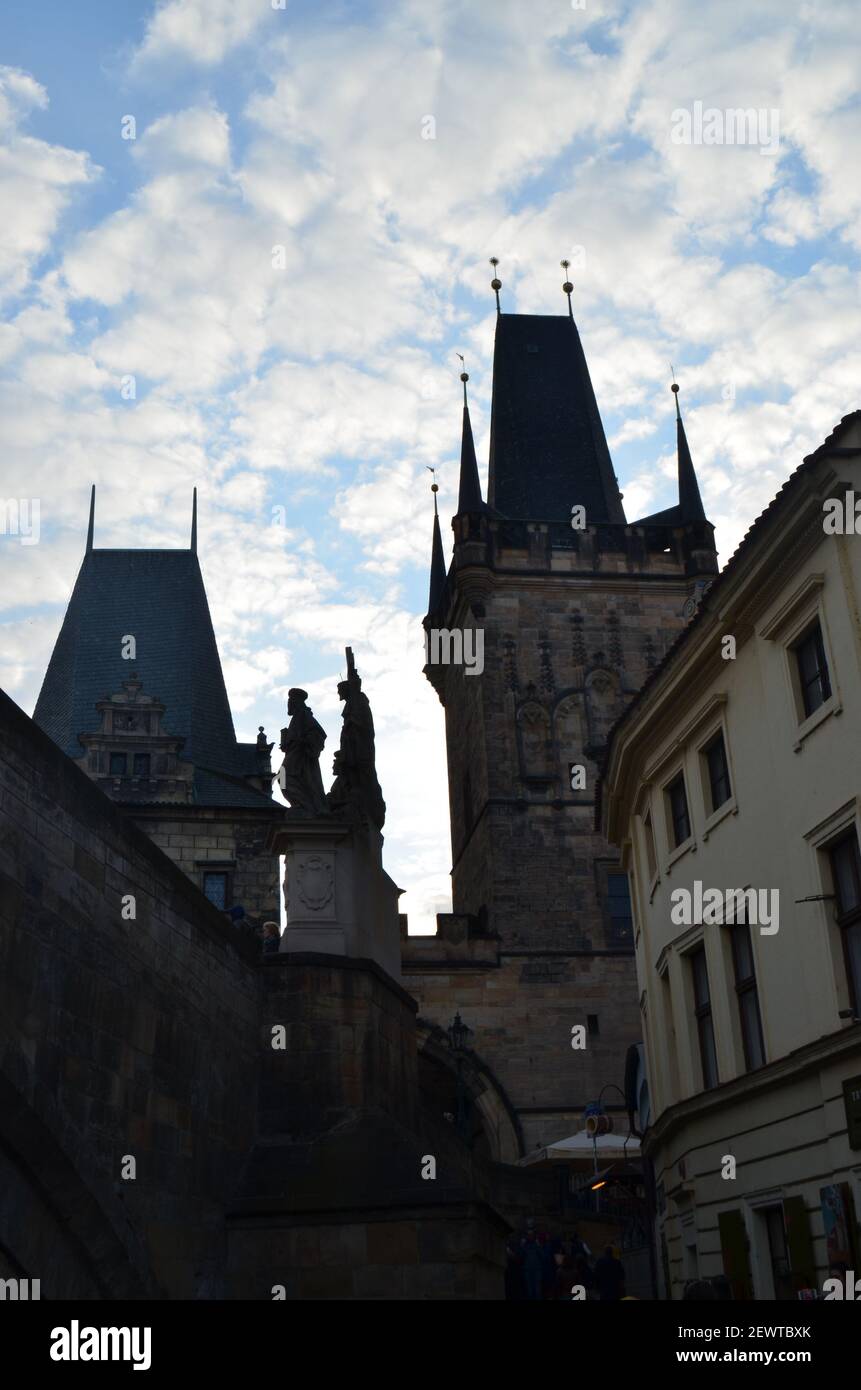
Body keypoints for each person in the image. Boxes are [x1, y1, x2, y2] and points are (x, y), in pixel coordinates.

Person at [520, 1222, 544, 1301]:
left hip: (536, 1269)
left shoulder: (537, 1245)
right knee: (529, 1290)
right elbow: (521, 1256)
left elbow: (542, 1255)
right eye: (528, 1235)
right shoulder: (525, 1245)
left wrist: (538, 1246)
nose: (530, 1236)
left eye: (531, 1235)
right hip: (527, 1269)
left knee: (537, 1289)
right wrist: (522, 1246)